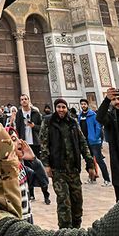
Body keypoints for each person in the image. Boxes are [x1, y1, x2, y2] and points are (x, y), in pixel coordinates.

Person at [39, 98, 97, 229]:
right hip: (58, 170)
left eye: (63, 107)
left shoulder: (73, 122)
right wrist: (46, 164)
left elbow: (83, 144)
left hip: (74, 170)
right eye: (58, 107)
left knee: (77, 204)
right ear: (55, 108)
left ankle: (75, 231)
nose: (61, 109)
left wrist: (90, 165)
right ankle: (65, 232)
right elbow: (43, 144)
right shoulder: (49, 122)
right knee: (64, 204)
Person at [78, 98, 111, 186]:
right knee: (89, 161)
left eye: (84, 104)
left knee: (99, 160)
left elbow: (98, 126)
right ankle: (92, 178)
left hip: (94, 141)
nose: (83, 106)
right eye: (82, 104)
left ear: (87, 105)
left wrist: (96, 137)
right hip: (85, 141)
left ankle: (107, 179)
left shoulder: (93, 115)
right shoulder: (80, 116)